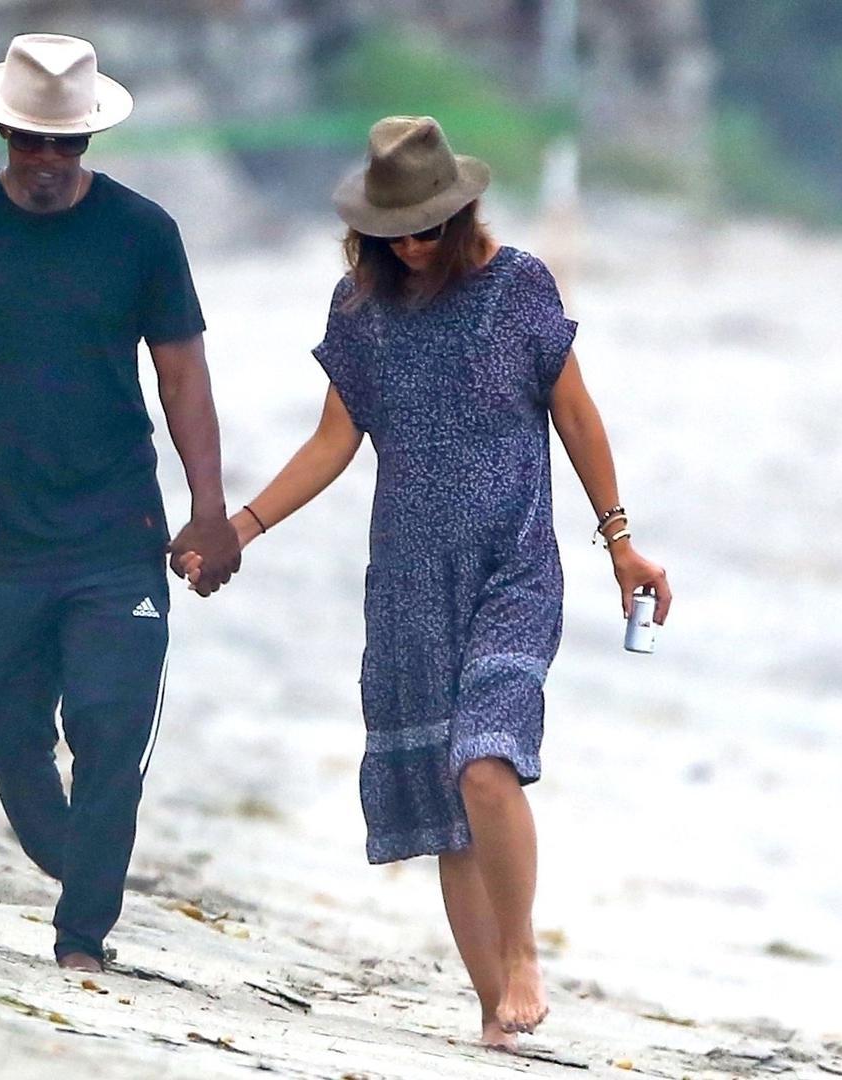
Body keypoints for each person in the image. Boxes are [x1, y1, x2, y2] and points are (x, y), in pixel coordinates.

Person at [181, 116, 672, 1046]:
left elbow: (576, 413)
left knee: (486, 763)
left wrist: (621, 543)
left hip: (513, 566)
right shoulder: (359, 311)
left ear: (461, 214)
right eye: (391, 232)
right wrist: (239, 529)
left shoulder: (518, 287)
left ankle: (522, 956)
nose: (409, 246)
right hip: (408, 581)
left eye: (426, 228)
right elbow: (333, 440)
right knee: (445, 809)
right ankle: (495, 1017)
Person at [0, 33, 241, 973]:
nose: (49, 160)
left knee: (109, 723)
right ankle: (78, 857)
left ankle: (82, 939)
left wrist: (210, 508)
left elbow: (183, 376)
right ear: (2, 132)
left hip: (118, 530)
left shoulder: (144, 234)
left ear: (89, 141)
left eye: (67, 143)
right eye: (32, 140)